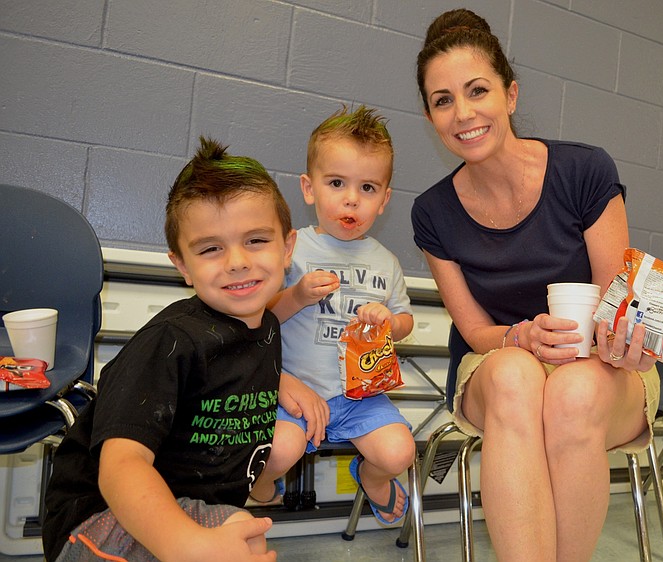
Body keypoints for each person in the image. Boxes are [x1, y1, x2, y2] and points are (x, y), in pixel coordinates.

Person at [411, 9, 661, 562]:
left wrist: (629, 336)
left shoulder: (584, 172)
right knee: (515, 380)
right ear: (430, 118)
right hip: (495, 360)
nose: (464, 113)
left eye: (478, 90)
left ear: (512, 95)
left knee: (570, 395)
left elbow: (618, 301)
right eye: (443, 100)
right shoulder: (432, 213)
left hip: (600, 364)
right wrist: (519, 339)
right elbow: (475, 330)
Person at [42, 137, 297, 562]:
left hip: (188, 507)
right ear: (182, 265)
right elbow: (121, 465)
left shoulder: (265, 327)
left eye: (256, 240)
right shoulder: (171, 340)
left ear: (287, 247)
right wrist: (187, 545)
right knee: (236, 534)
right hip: (97, 520)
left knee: (244, 535)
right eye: (211, 248)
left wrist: (289, 383)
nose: (236, 261)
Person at [248, 105, 416, 526]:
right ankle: (263, 485)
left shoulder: (386, 261)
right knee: (278, 450)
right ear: (309, 188)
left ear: (384, 200)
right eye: (336, 182)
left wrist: (390, 324)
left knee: (401, 452)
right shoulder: (291, 249)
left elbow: (405, 321)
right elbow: (257, 318)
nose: (351, 198)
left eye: (368, 188)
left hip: (362, 397)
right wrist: (297, 296)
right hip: (296, 394)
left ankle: (371, 477)